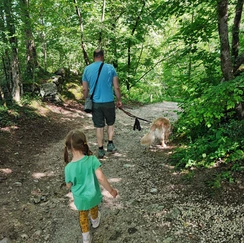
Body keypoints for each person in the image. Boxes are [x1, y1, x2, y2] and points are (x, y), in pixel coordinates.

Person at [64, 129, 118, 243]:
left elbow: (68, 185)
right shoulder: (92, 160)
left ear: (69, 148)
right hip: (93, 195)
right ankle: (95, 221)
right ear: (84, 144)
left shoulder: (68, 167)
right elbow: (101, 178)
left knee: (82, 216)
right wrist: (111, 190)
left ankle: (86, 237)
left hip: (80, 198)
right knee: (94, 208)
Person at [82, 49, 122, 158]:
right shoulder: (110, 68)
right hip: (109, 101)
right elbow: (116, 87)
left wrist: (86, 99)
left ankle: (100, 150)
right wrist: (119, 100)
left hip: (95, 103)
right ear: (103, 56)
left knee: (99, 126)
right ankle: (110, 143)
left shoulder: (87, 69)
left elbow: (85, 90)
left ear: (93, 56)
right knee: (110, 123)